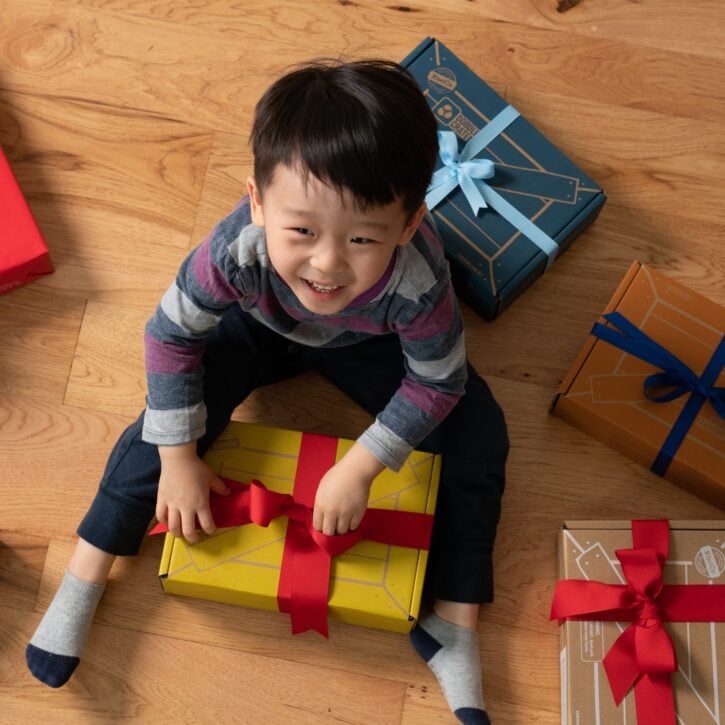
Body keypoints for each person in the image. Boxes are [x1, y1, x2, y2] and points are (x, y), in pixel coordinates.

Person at [26, 58, 508, 725]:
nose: (327, 263)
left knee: (480, 432)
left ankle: (452, 621)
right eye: (301, 230)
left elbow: (438, 379)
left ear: (407, 224)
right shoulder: (236, 249)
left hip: (370, 346)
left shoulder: (417, 281)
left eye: (362, 237)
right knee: (167, 416)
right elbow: (168, 335)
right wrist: (178, 458)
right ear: (256, 201)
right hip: (257, 329)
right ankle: (87, 569)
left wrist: (363, 462)